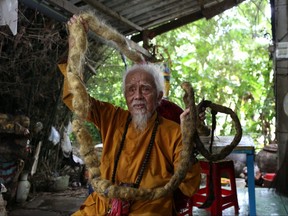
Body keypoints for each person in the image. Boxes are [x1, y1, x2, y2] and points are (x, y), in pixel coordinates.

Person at [59, 15, 201, 216]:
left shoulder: (173, 132)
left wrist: (188, 141)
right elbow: (76, 99)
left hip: (148, 210)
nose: (138, 96)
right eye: (131, 90)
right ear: (125, 95)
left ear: (159, 96)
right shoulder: (112, 117)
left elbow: (189, 187)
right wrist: (74, 45)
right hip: (101, 207)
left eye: (145, 89)